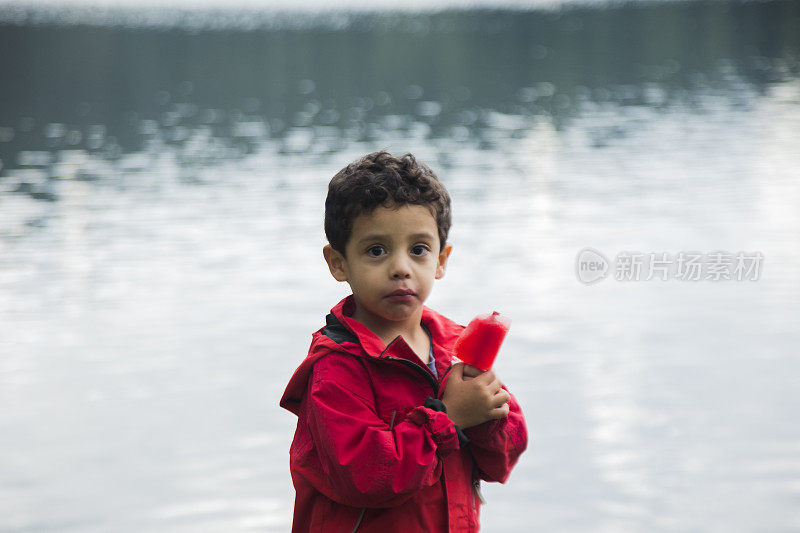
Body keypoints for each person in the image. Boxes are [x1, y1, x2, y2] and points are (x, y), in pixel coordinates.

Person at [279, 151, 527, 532]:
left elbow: (504, 456)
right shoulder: (335, 369)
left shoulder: (455, 348)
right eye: (376, 250)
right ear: (338, 263)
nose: (400, 267)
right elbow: (368, 478)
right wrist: (448, 418)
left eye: (418, 250)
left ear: (441, 260)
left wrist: (483, 418)